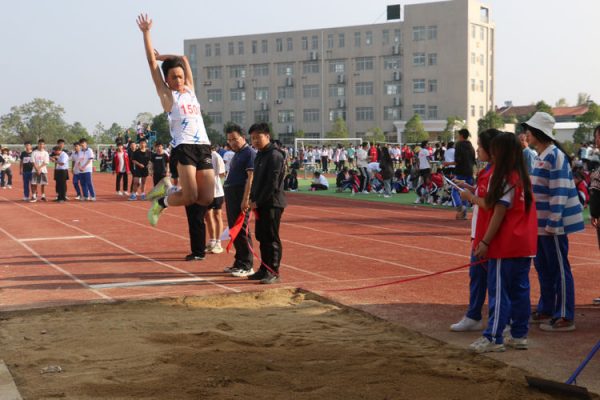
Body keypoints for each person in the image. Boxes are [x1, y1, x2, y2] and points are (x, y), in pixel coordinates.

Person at [460, 132, 538, 353]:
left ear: (499, 151)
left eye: (493, 149)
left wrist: (485, 241)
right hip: (524, 244)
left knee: (499, 292)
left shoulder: (504, 177)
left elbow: (498, 211)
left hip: (506, 244)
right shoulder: (521, 176)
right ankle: (519, 334)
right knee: (520, 291)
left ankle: (494, 337)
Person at [138, 14, 215, 226]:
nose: (179, 80)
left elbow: (183, 58)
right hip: (184, 147)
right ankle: (162, 201)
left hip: (203, 147)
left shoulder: (190, 89)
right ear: (167, 80)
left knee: (206, 198)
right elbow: (151, 63)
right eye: (173, 77)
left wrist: (165, 57)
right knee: (190, 197)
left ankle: (168, 188)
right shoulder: (167, 95)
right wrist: (147, 33)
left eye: (180, 76)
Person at [525, 112, 585, 332]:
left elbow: (558, 191)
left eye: (530, 129)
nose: (527, 133)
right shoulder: (541, 155)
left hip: (552, 227)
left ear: (539, 132)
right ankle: (547, 308)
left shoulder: (555, 156)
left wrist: (553, 222)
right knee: (543, 268)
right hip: (539, 226)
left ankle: (565, 315)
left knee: (559, 269)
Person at [450, 129, 501, 333]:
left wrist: (469, 197)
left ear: (492, 149)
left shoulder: (497, 172)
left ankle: (500, 324)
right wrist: (469, 189)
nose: (477, 150)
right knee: (477, 275)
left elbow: (491, 203)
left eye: (480, 146)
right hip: (480, 230)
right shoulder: (487, 170)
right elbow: (483, 196)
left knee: (494, 280)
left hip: (489, 234)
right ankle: (474, 315)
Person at [248, 123, 287, 284]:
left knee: (271, 238)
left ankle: (274, 271)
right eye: (253, 138)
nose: (256, 140)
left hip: (272, 203)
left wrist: (258, 201)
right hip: (260, 204)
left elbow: (272, 183)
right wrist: (252, 199)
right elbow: (256, 181)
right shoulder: (260, 155)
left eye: (258, 137)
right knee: (262, 237)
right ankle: (264, 268)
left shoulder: (275, 155)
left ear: (267, 137)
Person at [222, 124, 257, 276]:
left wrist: (246, 199)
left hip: (240, 194)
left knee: (242, 229)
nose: (232, 143)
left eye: (235, 139)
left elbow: (251, 178)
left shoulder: (249, 153)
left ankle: (248, 264)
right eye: (229, 140)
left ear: (243, 138)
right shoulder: (237, 153)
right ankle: (239, 261)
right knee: (233, 228)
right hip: (231, 193)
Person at [446, 129, 476, 220]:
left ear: (461, 136)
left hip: (461, 173)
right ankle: (464, 213)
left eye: (458, 135)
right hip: (470, 172)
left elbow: (457, 161)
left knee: (455, 190)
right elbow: (473, 160)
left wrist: (447, 164)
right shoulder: (471, 146)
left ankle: (459, 206)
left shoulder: (459, 146)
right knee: (466, 192)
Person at [205, 145, 226, 254]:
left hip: (216, 192)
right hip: (205, 192)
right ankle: (212, 241)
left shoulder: (216, 156)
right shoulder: (201, 156)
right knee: (208, 216)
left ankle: (218, 243)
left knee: (217, 216)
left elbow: (222, 174)